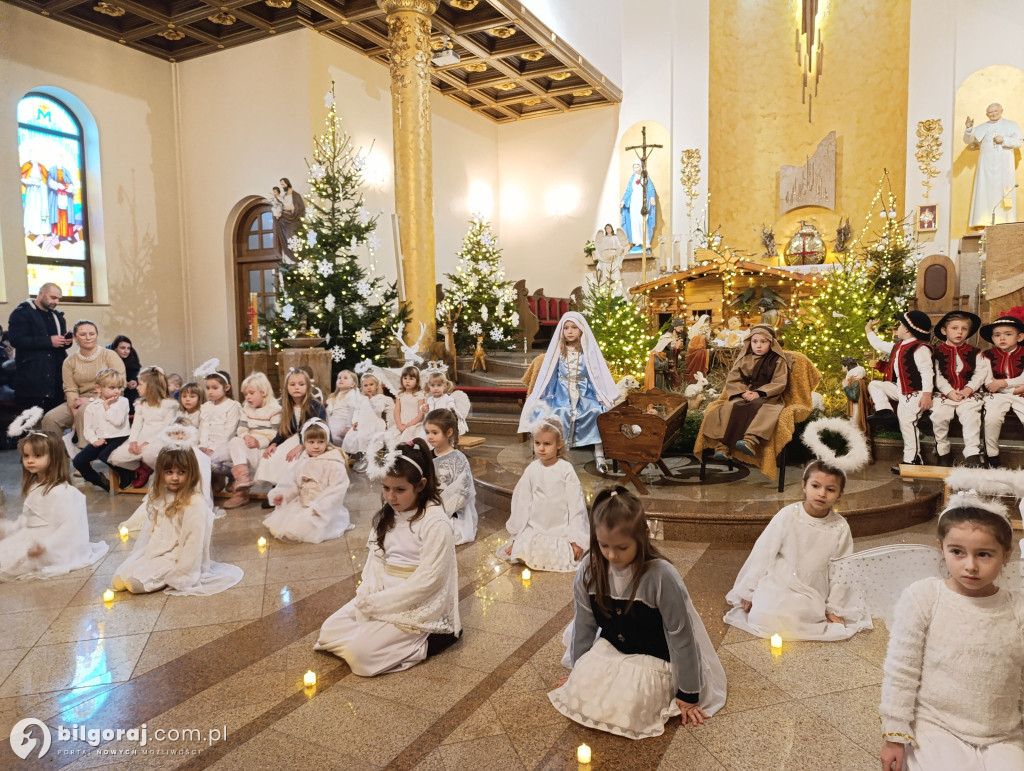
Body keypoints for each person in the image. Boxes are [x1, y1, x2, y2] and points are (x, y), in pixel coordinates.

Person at [548, 486, 726, 739]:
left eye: (622, 547)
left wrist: (688, 694)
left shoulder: (661, 576)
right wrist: (578, 674)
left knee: (632, 701)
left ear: (642, 536)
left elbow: (681, 636)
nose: (611, 555)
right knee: (590, 693)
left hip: (655, 655)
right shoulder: (590, 569)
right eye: (604, 545)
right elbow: (584, 624)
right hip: (613, 648)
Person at [879, 493, 1024, 770]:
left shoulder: (1017, 608)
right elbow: (902, 669)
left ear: (1005, 555)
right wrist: (895, 734)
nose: (970, 565)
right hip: (937, 725)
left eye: (984, 554)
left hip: (1001, 733)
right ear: (941, 548)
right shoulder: (924, 597)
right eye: (957, 552)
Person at [315, 439, 460, 676]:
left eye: (400, 490)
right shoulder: (388, 515)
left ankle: (426, 641)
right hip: (383, 594)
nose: (391, 497)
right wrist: (369, 593)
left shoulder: (435, 522)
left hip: (415, 601)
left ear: (421, 485)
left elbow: (429, 580)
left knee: (359, 656)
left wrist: (381, 604)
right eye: (386, 488)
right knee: (329, 631)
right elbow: (376, 561)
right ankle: (377, 636)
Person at [724, 459, 871, 641]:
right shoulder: (788, 515)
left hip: (812, 587)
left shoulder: (840, 527)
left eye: (830, 489)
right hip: (780, 580)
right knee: (763, 614)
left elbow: (842, 570)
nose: (822, 494)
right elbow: (763, 553)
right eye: (815, 486)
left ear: (840, 494)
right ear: (804, 485)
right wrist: (748, 591)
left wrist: (833, 608)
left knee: (803, 616)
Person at [112, 448, 242, 596]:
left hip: (177, 554)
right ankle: (146, 568)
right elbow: (156, 529)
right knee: (122, 576)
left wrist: (184, 573)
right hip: (158, 550)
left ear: (191, 474)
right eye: (169, 472)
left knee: (137, 582)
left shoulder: (194, 502)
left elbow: (193, 541)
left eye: (181, 473)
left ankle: (152, 577)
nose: (175, 478)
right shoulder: (163, 496)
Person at [0, 428, 108, 580]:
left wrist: (46, 546)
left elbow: (69, 526)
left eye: (37, 455)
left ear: (54, 457)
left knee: (9, 564)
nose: (30, 460)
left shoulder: (60, 491)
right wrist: (10, 529)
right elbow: (28, 518)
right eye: (26, 456)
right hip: (31, 535)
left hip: (48, 542)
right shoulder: (34, 485)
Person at [517, 312, 618, 472]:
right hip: (561, 393)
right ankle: (559, 454)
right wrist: (544, 395)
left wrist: (601, 395)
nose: (570, 331)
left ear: (581, 330)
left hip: (584, 393)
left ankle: (599, 454)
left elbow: (595, 376)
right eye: (566, 328)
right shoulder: (558, 352)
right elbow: (550, 376)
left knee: (596, 412)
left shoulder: (588, 352)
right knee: (558, 412)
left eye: (574, 328)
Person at [497, 415, 588, 572]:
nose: (541, 448)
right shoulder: (532, 469)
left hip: (559, 528)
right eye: (537, 443)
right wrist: (516, 537)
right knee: (524, 548)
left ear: (559, 444)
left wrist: (575, 539)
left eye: (547, 444)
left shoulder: (566, 469)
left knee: (562, 555)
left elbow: (576, 506)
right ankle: (522, 543)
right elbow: (522, 502)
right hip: (536, 527)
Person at [701, 324, 791, 458]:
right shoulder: (745, 359)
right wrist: (743, 392)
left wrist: (759, 393)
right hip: (746, 392)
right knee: (731, 406)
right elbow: (733, 379)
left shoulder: (778, 360)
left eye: (763, 342)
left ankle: (750, 440)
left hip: (768, 395)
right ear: (750, 342)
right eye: (755, 342)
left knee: (764, 409)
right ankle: (722, 446)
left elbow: (779, 382)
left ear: (771, 343)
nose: (758, 346)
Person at [865, 312, 934, 473]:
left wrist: (926, 394)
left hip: (915, 394)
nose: (898, 328)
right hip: (901, 390)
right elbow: (879, 344)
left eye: (901, 325)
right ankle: (884, 411)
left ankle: (913, 461)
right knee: (875, 385)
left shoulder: (920, 348)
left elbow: (927, 372)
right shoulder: (899, 346)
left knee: (907, 426)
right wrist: (868, 329)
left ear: (909, 329)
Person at [264, 419, 352, 543]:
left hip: (323, 508)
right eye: (311, 442)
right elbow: (293, 483)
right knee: (287, 524)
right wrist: (284, 495)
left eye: (321, 442)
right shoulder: (303, 460)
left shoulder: (333, 462)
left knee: (306, 528)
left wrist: (320, 508)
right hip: (303, 503)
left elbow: (337, 489)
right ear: (304, 442)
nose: (316, 446)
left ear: (326, 442)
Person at [40, 320, 124, 443]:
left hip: (109, 400)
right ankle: (57, 459)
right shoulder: (69, 361)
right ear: (74, 337)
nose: (88, 338)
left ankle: (84, 458)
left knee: (84, 413)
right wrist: (75, 417)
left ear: (97, 335)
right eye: (83, 334)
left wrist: (93, 400)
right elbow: (70, 390)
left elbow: (120, 386)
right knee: (50, 419)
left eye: (92, 334)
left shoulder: (110, 356)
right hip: (78, 402)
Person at [930, 311, 987, 467]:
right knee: (939, 415)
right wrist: (949, 391)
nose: (959, 332)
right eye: (954, 328)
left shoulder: (974, 352)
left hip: (967, 394)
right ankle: (942, 451)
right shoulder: (937, 353)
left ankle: (972, 454)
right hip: (944, 394)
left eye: (964, 329)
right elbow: (937, 375)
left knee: (971, 417)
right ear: (944, 330)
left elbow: (980, 373)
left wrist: (968, 389)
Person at [107, 367, 179, 489]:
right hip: (142, 438)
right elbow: (136, 426)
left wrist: (147, 443)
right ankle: (142, 469)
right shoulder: (141, 404)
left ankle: (160, 473)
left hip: (160, 440)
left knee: (149, 453)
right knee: (115, 457)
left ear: (151, 387)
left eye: (140, 384)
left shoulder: (169, 405)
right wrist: (133, 441)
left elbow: (167, 429)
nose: (137, 387)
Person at [256, 368, 327, 490]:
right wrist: (273, 443)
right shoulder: (288, 406)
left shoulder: (316, 407)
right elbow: (285, 430)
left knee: (293, 459)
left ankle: (289, 490)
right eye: (292, 384)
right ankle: (277, 489)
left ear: (308, 386)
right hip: (294, 437)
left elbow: (319, 431)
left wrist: (300, 446)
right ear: (287, 388)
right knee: (274, 455)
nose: (296, 387)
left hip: (311, 440)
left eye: (301, 384)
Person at [7, 283, 70, 412]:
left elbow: (57, 343)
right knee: (26, 421)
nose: (56, 302)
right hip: (31, 375)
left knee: (53, 418)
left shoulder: (57, 316)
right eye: (53, 297)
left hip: (55, 376)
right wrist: (48, 341)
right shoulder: (22, 313)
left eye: (59, 299)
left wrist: (66, 341)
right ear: (41, 294)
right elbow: (16, 340)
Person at [222, 372, 281, 509]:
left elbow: (275, 434)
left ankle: (252, 485)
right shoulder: (246, 409)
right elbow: (241, 429)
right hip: (250, 446)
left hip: (265, 450)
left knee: (241, 446)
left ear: (263, 392)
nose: (247, 397)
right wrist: (246, 436)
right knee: (235, 441)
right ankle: (242, 481)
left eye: (251, 393)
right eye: (245, 394)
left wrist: (259, 442)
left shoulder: (275, 410)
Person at [962, 103, 1023, 227]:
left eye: (996, 111)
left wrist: (1004, 140)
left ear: (1001, 111)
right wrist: (969, 129)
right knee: (984, 190)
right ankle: (982, 221)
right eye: (990, 112)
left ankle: (1006, 221)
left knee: (1004, 191)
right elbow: (969, 141)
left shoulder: (1011, 125)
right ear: (986, 114)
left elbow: (1019, 142)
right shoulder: (982, 127)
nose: (993, 114)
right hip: (986, 166)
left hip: (1004, 165)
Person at [423, 408, 477, 545]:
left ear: (449, 432)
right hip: (429, 506)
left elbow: (463, 491)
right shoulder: (426, 456)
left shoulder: (459, 459)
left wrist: (440, 510)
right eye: (427, 432)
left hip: (452, 512)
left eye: (435, 433)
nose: (430, 437)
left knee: (444, 534)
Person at [72, 368, 130, 492]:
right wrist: (94, 440)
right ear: (98, 388)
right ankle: (98, 480)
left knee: (104, 455)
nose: (117, 391)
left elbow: (118, 422)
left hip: (119, 436)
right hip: (101, 439)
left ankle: (126, 473)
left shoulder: (123, 402)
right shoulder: (92, 407)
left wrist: (107, 407)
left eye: (119, 388)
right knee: (78, 461)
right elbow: (88, 428)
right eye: (112, 387)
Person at [980, 308, 1024, 468]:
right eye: (997, 335)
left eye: (1008, 334)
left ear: (1020, 337)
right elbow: (988, 381)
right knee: (992, 418)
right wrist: (1013, 388)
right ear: (992, 338)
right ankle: (992, 456)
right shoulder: (987, 355)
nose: (1002, 338)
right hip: (998, 395)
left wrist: (1003, 383)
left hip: (1021, 395)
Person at [198, 370, 242, 490]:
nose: (210, 391)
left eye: (215, 388)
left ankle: (231, 474)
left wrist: (213, 448)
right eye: (207, 388)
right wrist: (203, 445)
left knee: (215, 459)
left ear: (226, 387)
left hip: (224, 444)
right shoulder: (206, 407)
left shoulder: (232, 406)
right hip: (207, 445)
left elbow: (230, 431)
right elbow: (204, 427)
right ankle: (216, 476)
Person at [343, 371, 395, 471]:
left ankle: (367, 458)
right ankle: (358, 456)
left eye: (371, 384)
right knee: (352, 436)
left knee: (365, 436)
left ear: (376, 385)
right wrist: (355, 421)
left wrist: (372, 399)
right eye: (365, 385)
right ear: (362, 387)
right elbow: (357, 411)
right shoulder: (361, 398)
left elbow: (379, 409)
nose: (369, 387)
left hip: (374, 423)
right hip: (362, 422)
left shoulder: (380, 398)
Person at [417, 366, 469, 437]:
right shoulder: (429, 399)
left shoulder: (447, 399)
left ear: (444, 386)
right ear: (429, 386)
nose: (435, 388)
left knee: (437, 433)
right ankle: (420, 444)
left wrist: (450, 407)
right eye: (433, 385)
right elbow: (426, 409)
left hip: (442, 423)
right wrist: (423, 408)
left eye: (439, 385)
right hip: (431, 423)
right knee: (423, 433)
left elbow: (450, 410)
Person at [620, 161, 656, 252]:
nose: (636, 169)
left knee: (642, 221)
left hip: (643, 202)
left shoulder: (645, 177)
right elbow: (628, 191)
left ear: (641, 167)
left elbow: (650, 188)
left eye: (637, 167)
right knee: (634, 222)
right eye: (634, 167)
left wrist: (652, 198)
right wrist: (623, 201)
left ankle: (646, 242)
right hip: (633, 203)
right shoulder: (632, 178)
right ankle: (636, 241)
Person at [274, 177, 305, 260]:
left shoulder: (296, 195)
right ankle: (289, 259)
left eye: (283, 184)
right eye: (281, 185)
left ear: (287, 183)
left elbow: (301, 207)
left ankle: (296, 258)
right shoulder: (284, 196)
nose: (282, 186)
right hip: (285, 220)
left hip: (294, 220)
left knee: (293, 238)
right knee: (287, 239)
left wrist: (291, 208)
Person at [326, 370, 359, 444]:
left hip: (343, 421)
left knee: (333, 434)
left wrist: (349, 425)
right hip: (332, 420)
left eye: (345, 378)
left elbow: (352, 410)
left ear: (353, 384)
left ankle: (339, 449)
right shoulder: (334, 396)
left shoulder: (351, 394)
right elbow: (328, 411)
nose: (341, 379)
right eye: (339, 378)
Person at [393, 366, 426, 442]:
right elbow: (396, 411)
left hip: (414, 424)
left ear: (417, 381)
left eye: (411, 379)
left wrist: (407, 426)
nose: (407, 381)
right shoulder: (400, 394)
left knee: (408, 438)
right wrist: (399, 425)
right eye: (405, 378)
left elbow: (420, 415)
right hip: (401, 424)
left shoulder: (419, 395)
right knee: (394, 439)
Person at [109, 335, 141, 410]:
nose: (126, 351)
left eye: (128, 348)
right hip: (114, 385)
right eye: (122, 348)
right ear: (115, 349)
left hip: (129, 386)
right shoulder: (109, 356)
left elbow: (135, 370)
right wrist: (124, 384)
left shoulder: (132, 354)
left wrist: (134, 380)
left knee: (136, 392)